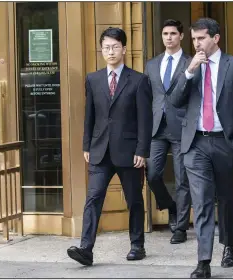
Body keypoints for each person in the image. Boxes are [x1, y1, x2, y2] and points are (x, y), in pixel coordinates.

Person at [168, 18, 233, 278]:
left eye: (202, 38)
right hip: (196, 143)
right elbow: (174, 101)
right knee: (202, 200)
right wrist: (190, 71)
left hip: (226, 142)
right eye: (194, 39)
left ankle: (229, 245)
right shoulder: (187, 65)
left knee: (227, 198)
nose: (197, 43)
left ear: (215, 38)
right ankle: (203, 261)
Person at [67, 27, 153, 266]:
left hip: (129, 152)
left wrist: (142, 150)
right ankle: (86, 249)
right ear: (101, 50)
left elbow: (146, 119)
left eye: (115, 47)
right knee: (93, 198)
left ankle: (137, 245)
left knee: (134, 199)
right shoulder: (93, 79)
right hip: (99, 150)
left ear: (124, 49)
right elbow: (89, 116)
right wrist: (87, 145)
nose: (111, 51)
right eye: (106, 47)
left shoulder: (139, 80)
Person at [144, 19, 191, 244]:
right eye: (165, 33)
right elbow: (149, 98)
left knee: (183, 179)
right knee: (152, 174)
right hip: (156, 128)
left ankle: (181, 227)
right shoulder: (151, 65)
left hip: (182, 127)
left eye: (173, 33)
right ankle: (169, 205)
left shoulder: (191, 63)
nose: (169, 37)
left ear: (181, 36)